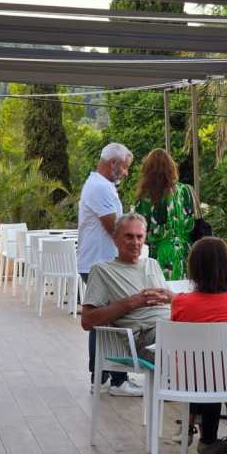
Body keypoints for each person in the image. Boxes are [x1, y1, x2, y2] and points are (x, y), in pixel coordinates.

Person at [171, 237, 227, 445]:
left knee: (205, 366)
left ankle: (201, 434)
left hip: (190, 379)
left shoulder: (181, 302)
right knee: (220, 366)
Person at [80, 213, 172, 397]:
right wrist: (131, 302)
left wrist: (172, 297)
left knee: (217, 338)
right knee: (200, 352)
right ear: (115, 239)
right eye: (129, 236)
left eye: (139, 237)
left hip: (175, 326)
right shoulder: (102, 270)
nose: (135, 242)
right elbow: (87, 321)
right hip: (148, 338)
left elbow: (172, 304)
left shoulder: (152, 264)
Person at [79, 142, 133, 388]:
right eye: (125, 167)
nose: (126, 173)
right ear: (113, 163)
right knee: (108, 319)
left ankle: (104, 377)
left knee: (105, 320)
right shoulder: (100, 187)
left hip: (99, 263)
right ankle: (113, 379)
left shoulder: (101, 185)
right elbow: (114, 228)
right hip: (100, 265)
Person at [133, 148, 196, 281]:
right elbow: (191, 223)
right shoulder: (185, 191)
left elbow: (139, 229)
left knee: (162, 289)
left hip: (159, 252)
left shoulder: (145, 197)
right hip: (186, 252)